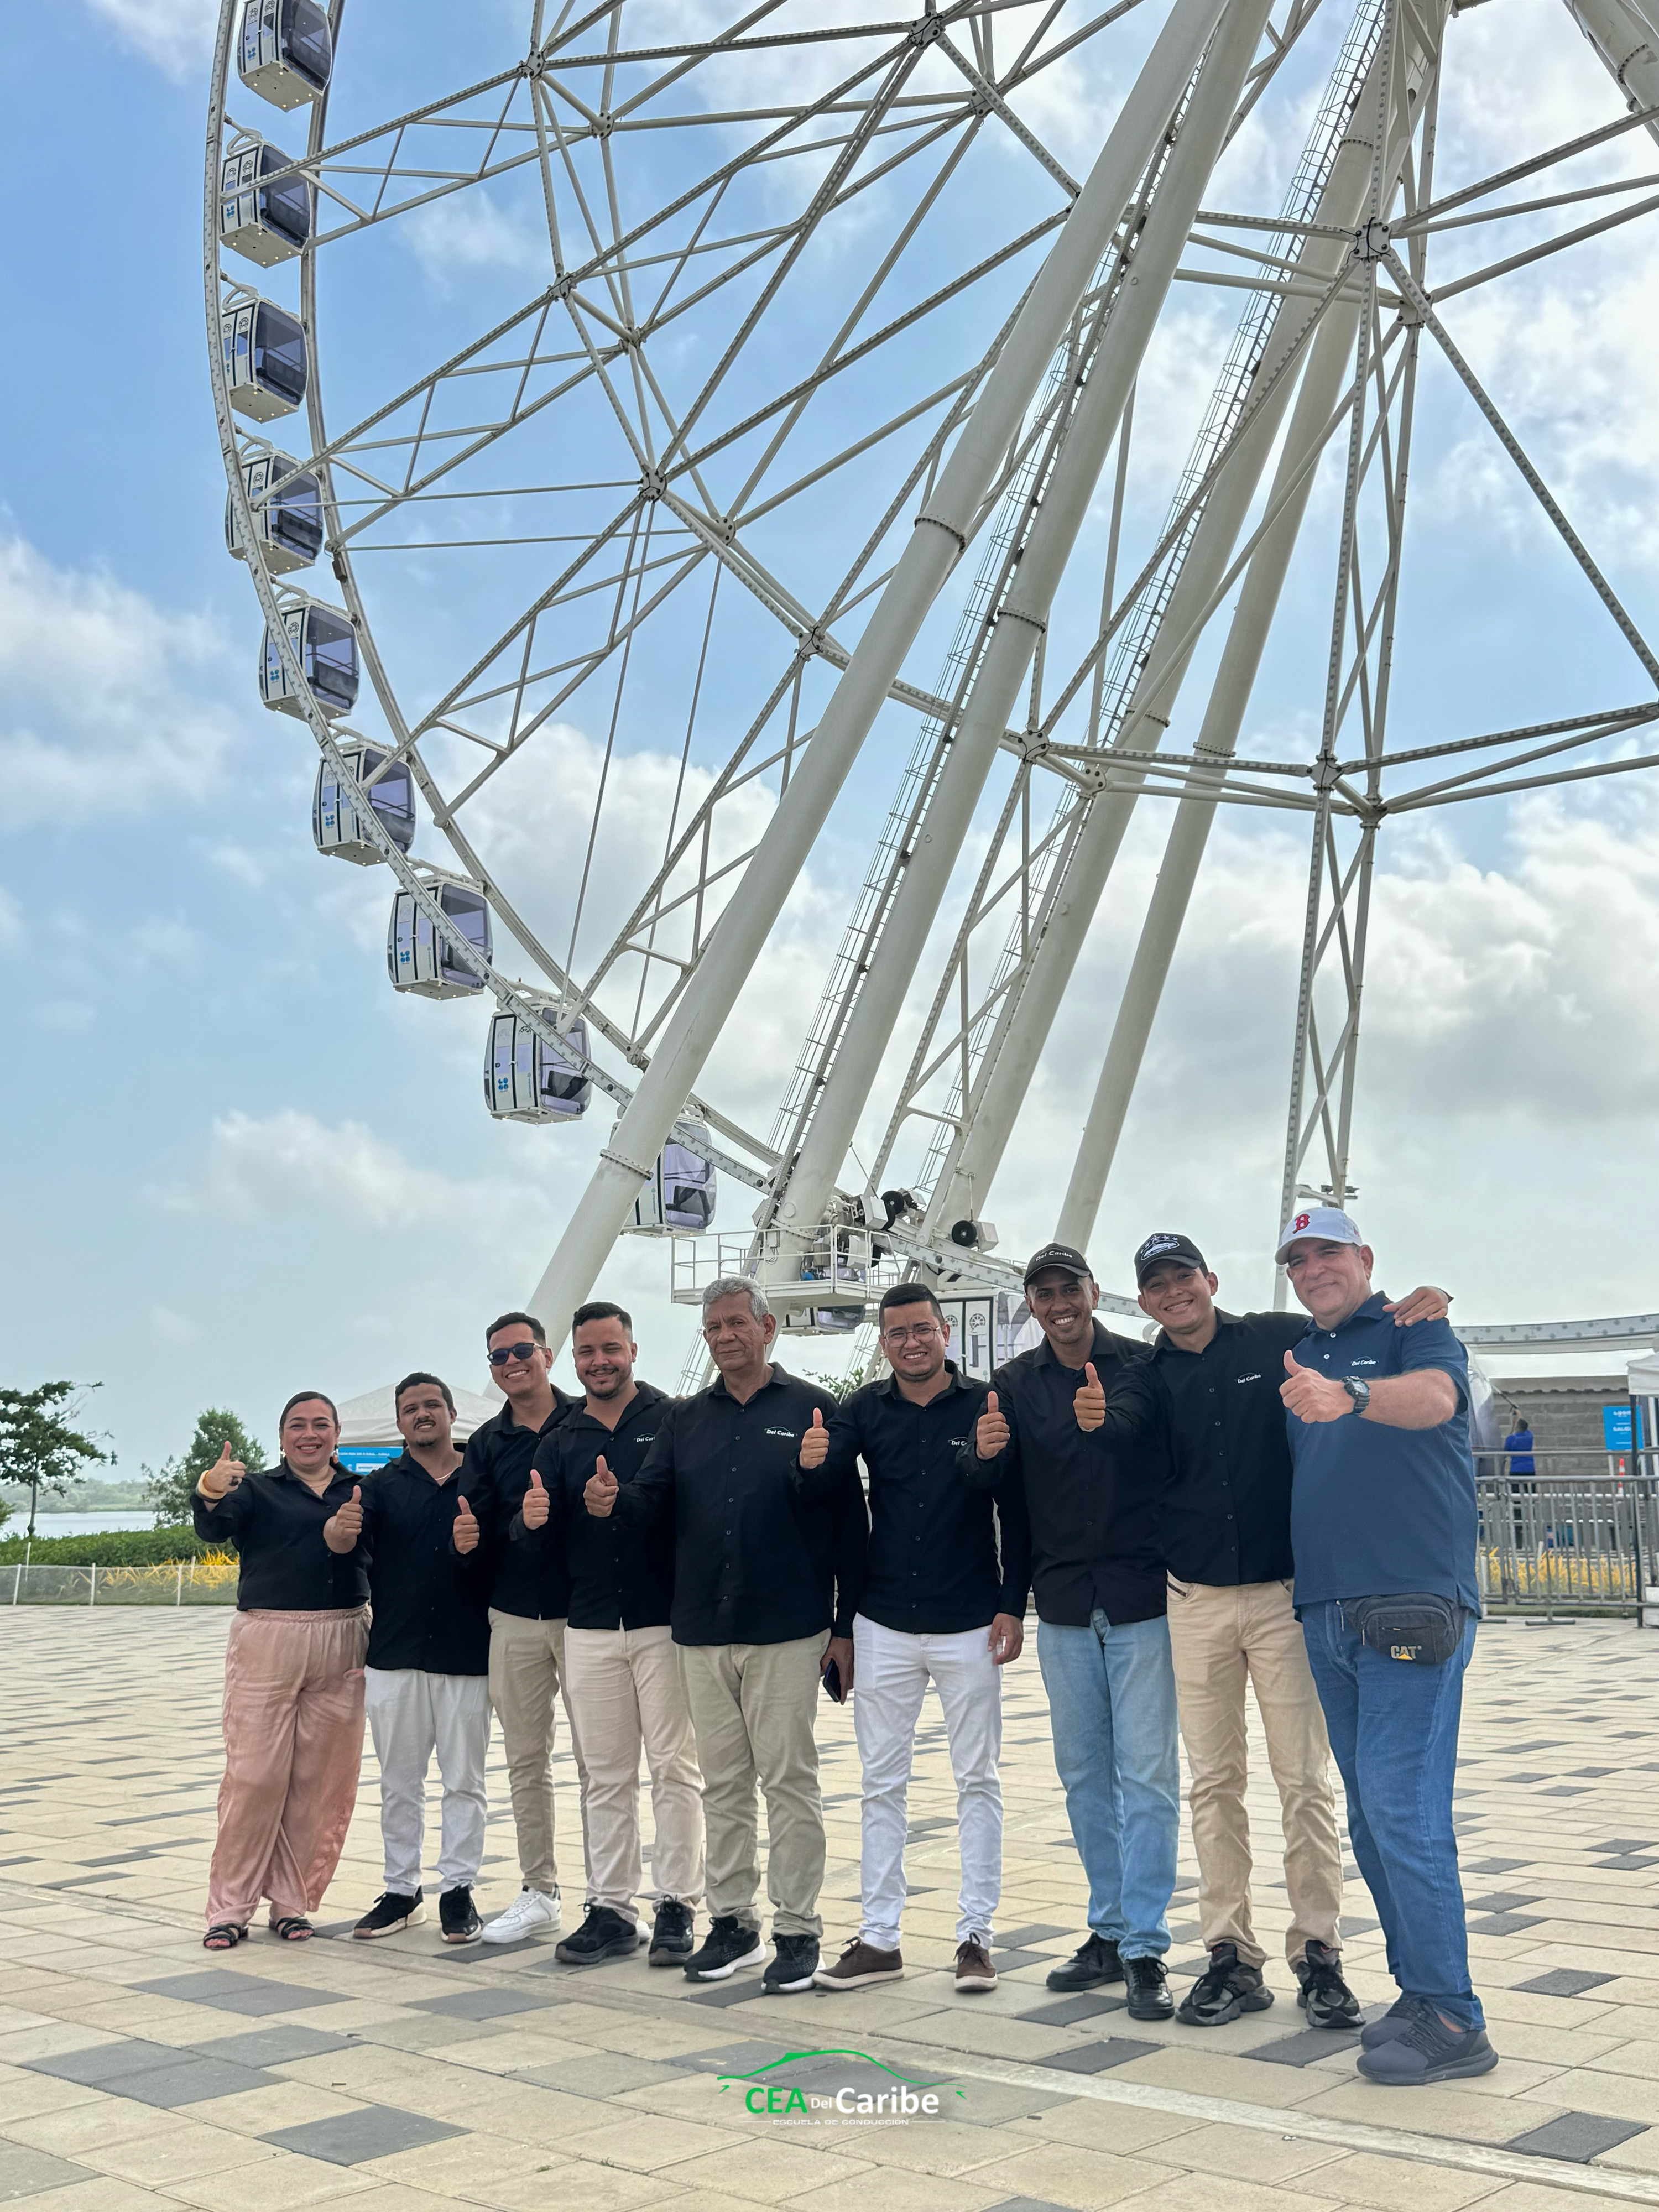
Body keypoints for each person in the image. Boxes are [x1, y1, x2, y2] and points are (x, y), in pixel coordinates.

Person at [1076, 1233, 1448, 2031]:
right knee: (1214, 1781)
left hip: (1287, 1594)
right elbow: (1120, 1428)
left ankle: (1318, 1951)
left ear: (1210, 1280)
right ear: (1142, 1302)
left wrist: (1421, 1308)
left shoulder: (1280, 1339)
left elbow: (1354, 1327)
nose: (1173, 1293)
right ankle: (1229, 1956)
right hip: (1196, 1597)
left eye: (1185, 1278)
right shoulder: (1142, 1376)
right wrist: (1099, 1421)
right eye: (1157, 1286)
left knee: (1304, 1779)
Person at [586, 1276, 867, 1994]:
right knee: (724, 1785)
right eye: (714, 1328)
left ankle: (799, 1929)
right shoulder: (685, 1421)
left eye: (737, 1324)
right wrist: (614, 1501)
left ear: (768, 1329)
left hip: (788, 1628)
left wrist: (844, 1629)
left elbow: (847, 1528)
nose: (725, 1337)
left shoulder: (814, 1408)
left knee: (790, 1781)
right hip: (702, 1629)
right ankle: (734, 1922)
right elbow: (651, 1501)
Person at [1276, 1205, 1495, 2086]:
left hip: (1409, 1601)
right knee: (1370, 1815)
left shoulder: (1417, 1325)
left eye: (1329, 1251)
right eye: (1298, 1258)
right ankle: (1418, 1991)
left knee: (1406, 1811)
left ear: (1364, 1258)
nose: (1314, 1267)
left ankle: (1456, 2016)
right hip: (1326, 1608)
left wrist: (1354, 1396)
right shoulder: (1297, 1351)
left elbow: (1441, 1400)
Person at [961, 1244, 1178, 2022]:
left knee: (1149, 1778)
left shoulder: (1140, 1366)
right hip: (1059, 1603)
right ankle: (1109, 1929)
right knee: (1085, 1776)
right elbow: (1005, 1500)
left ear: (1093, 1292)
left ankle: (1148, 1946)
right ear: (1032, 1303)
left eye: (1070, 1289)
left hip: (1141, 1598)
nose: (1060, 1303)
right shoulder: (1014, 1386)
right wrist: (1009, 1599)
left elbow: (1150, 1446)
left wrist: (1105, 1420)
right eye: (1044, 1293)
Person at [807, 1282, 1030, 1996]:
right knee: (880, 1785)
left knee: (978, 1781)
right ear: (883, 1341)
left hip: (970, 1621)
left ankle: (976, 1938)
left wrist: (1011, 1604)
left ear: (944, 1334)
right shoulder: (864, 1409)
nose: (911, 1341)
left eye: (923, 1329)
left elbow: (1015, 1512)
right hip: (884, 1623)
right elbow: (828, 1492)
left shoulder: (986, 1406)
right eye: (897, 1332)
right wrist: (808, 1460)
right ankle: (879, 1938)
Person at [528, 1302, 704, 1969]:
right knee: (603, 1776)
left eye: (611, 1348)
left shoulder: (672, 1418)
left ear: (634, 1349)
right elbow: (535, 1537)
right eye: (586, 1353)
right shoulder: (560, 1436)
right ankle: (610, 1908)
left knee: (673, 1769)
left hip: (664, 1621)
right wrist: (532, 1522)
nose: (599, 1361)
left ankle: (679, 1904)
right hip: (591, 1624)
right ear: (571, 1360)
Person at [193, 1391, 368, 1951]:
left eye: (321, 1424)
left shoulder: (362, 1491)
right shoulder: (257, 1491)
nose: (310, 1433)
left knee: (319, 1782)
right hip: (268, 1636)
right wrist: (210, 1488)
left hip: (344, 1636)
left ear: (338, 1434)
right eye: (298, 1425)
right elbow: (213, 1529)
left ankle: (291, 1902)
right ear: (282, 1436)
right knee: (256, 1776)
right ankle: (230, 1906)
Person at [343, 1373, 491, 1947]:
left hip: (466, 1653)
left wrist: (474, 1548)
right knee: (400, 1782)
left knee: (465, 1781)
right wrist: (339, 1531)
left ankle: (459, 1889)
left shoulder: (482, 1481)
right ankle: (401, 1890)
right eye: (411, 1408)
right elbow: (347, 1549)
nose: (423, 1414)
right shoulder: (377, 1488)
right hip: (395, 1655)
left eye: (433, 1405)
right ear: (400, 1421)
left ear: (453, 1413)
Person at [459, 1311, 587, 1946]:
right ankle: (541, 1890)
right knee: (525, 1760)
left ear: (547, 1354)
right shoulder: (485, 1442)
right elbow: (477, 1532)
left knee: (603, 1761)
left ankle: (611, 1899)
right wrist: (510, 1528)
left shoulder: (589, 1418)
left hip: (587, 1615)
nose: (511, 1363)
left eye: (521, 1351)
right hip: (513, 1615)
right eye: (498, 1357)